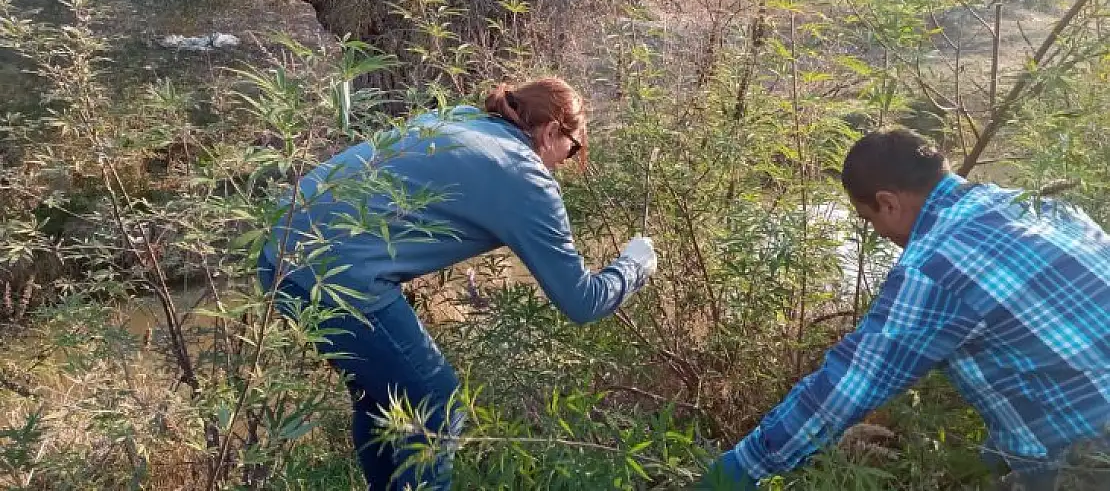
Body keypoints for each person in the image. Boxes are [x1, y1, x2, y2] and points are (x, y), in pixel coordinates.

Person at [257, 77, 658, 490]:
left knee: (382, 399)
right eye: (572, 150)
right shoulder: (525, 175)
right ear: (552, 131)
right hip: (336, 276)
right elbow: (582, 301)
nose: (566, 163)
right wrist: (634, 266)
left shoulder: (459, 118)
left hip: (278, 251)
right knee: (436, 399)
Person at [700, 128, 1110, 490]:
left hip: (1091, 455)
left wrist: (732, 475)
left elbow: (847, 387)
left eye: (868, 218)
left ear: (887, 202)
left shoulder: (937, 265)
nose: (877, 232)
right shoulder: (1036, 206)